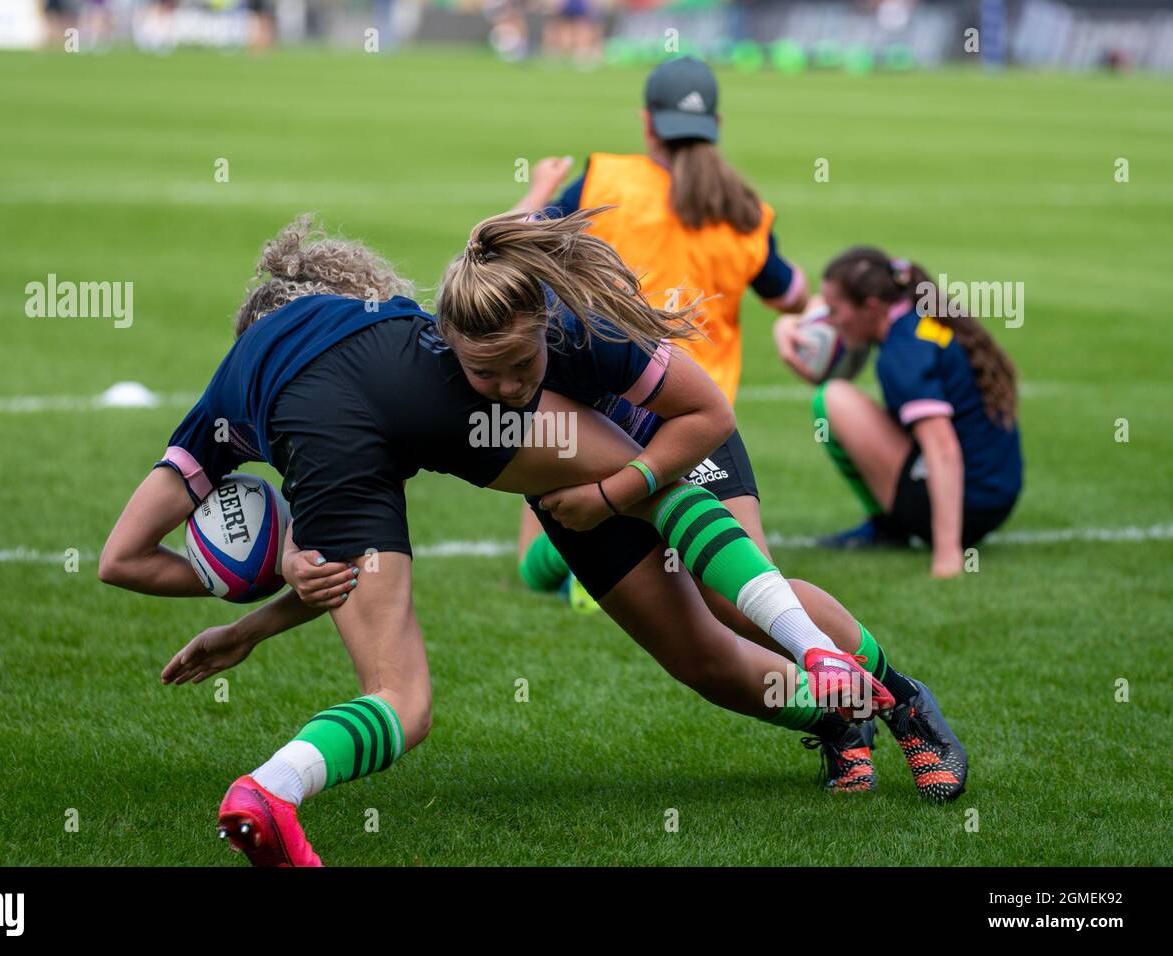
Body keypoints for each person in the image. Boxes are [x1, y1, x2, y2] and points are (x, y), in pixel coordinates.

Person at [99, 214, 958, 866]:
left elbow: (704, 414)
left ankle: (895, 695)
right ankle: (839, 714)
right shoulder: (421, 347)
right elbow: (346, 571)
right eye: (485, 375)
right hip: (570, 491)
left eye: (519, 369)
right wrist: (248, 619)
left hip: (669, 445)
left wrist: (619, 488)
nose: (506, 389)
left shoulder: (583, 332)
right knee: (703, 661)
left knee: (738, 603)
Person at [509, 55, 813, 607]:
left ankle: (583, 560)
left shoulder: (606, 179)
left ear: (648, 122)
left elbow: (514, 247)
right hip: (699, 424)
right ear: (715, 126)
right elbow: (790, 294)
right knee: (747, 586)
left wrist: (537, 192)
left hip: (605, 409)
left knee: (536, 559)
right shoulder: (747, 212)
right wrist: (798, 308)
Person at [777, 247, 1022, 576]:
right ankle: (891, 525)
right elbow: (822, 303)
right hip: (994, 493)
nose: (830, 321)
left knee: (831, 400)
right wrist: (787, 325)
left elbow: (943, 447)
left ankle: (888, 527)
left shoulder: (902, 356)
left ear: (872, 307)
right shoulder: (916, 314)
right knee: (842, 398)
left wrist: (948, 554)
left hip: (969, 506)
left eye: (836, 311)